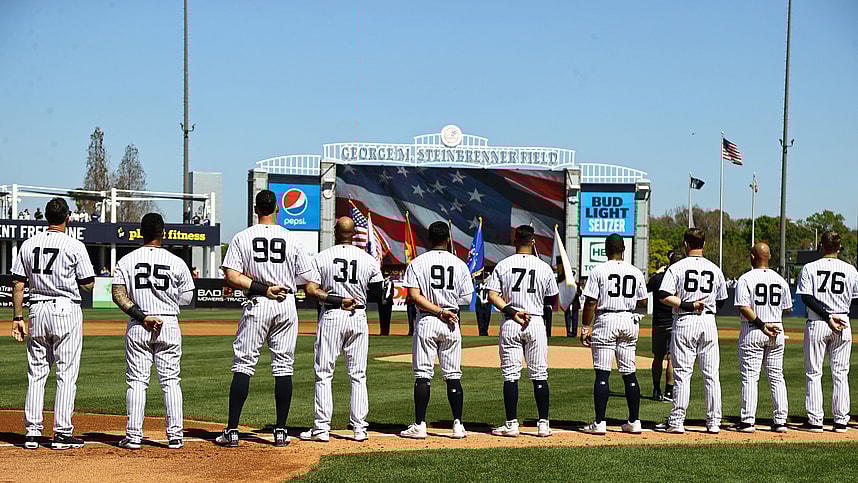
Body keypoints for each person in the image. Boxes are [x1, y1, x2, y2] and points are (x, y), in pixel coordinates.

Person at [215, 190, 321, 448]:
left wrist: (263, 288)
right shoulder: (291, 238)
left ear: (255, 209)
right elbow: (311, 279)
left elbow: (231, 275)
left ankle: (232, 431)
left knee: (243, 365)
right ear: (277, 209)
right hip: (286, 304)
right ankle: (281, 431)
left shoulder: (243, 237)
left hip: (258, 302)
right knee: (283, 367)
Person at [11, 197, 95, 450]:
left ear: (46, 217)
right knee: (66, 373)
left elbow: (17, 283)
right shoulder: (74, 245)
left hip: (37, 308)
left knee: (37, 373)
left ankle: (32, 433)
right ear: (67, 217)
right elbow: (88, 283)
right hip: (65, 308)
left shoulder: (28, 244)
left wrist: (17, 317)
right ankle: (62, 433)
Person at [111, 213, 195, 449]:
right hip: (168, 322)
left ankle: (134, 436)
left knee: (137, 381)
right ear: (163, 233)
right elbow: (187, 297)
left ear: (141, 233)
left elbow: (118, 295)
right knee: (170, 381)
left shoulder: (127, 260)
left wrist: (144, 315)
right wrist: (167, 304)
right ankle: (176, 435)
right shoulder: (176, 261)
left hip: (139, 322)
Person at [299, 217, 383, 443]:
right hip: (358, 315)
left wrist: (337, 298)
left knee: (324, 373)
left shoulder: (322, 256)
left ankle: (322, 428)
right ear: (354, 233)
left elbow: (311, 290)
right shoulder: (368, 259)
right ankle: (359, 429)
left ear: (336, 232)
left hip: (332, 315)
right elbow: (377, 294)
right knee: (358, 375)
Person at [399, 222, 474, 439]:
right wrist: (447, 307)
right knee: (453, 375)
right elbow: (467, 298)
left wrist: (438, 310)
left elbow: (414, 296)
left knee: (423, 374)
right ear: (448, 239)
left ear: (429, 239)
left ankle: (420, 425)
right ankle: (458, 425)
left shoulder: (418, 262)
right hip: (451, 320)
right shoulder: (459, 264)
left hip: (428, 319)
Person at [485, 225, 559, 438]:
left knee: (510, 376)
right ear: (533, 241)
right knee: (539, 375)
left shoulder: (504, 264)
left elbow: (492, 295)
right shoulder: (543, 266)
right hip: (535, 320)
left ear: (515, 240)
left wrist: (512, 310)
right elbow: (551, 298)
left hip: (511, 320)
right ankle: (543, 424)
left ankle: (511, 424)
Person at [655, 228, 728, 434]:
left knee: (682, 375)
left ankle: (677, 421)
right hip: (708, 321)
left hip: (685, 320)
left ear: (686, 244)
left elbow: (663, 294)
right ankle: (714, 422)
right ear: (703, 244)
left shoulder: (677, 267)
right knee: (711, 375)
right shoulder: (714, 268)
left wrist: (687, 305)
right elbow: (722, 300)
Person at [579, 234, 649, 434]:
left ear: (605, 248)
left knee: (603, 373)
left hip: (606, 319)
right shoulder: (635, 271)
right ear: (624, 248)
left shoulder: (599, 270)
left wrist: (585, 328)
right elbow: (644, 301)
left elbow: (591, 302)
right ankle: (634, 421)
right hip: (628, 319)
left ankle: (600, 423)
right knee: (629, 373)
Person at [796, 231, 858, 433]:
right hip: (842, 321)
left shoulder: (810, 268)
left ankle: (815, 421)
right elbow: (855, 299)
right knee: (841, 373)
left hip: (818, 322)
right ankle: (841, 421)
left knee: (814, 372)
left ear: (821, 245)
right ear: (839, 248)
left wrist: (827, 316)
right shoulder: (851, 270)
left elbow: (806, 298)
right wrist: (837, 315)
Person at [729, 242, 792, 433]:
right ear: (770, 256)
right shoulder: (780, 279)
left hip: (754, 329)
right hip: (777, 329)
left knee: (750, 377)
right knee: (776, 377)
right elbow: (787, 308)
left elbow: (743, 306)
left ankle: (748, 421)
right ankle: (780, 421)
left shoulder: (746, 278)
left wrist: (762, 325)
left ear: (752, 256)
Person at [647, 250, 684, 402]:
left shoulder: (657, 279)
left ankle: (656, 389)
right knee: (671, 359)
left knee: (657, 357)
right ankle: (669, 392)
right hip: (674, 322)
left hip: (658, 323)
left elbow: (646, 289)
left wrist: (657, 272)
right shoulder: (682, 278)